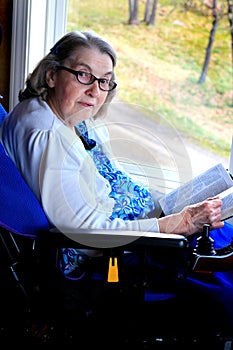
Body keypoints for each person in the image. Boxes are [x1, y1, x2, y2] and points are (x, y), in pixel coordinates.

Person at [0, 30, 233, 345]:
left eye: (105, 81)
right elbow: (84, 231)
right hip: (105, 258)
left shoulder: (47, 112)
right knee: (221, 269)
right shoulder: (48, 139)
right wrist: (174, 223)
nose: (96, 91)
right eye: (84, 75)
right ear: (53, 74)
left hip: (120, 227)